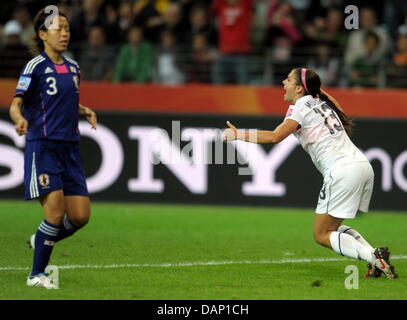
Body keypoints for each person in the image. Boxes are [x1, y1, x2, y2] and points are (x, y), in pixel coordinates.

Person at [223, 67, 397, 279]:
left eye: (288, 79)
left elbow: (274, 137)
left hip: (342, 170)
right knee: (333, 228)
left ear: (298, 88)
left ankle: (372, 256)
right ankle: (376, 259)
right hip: (362, 166)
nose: (283, 83)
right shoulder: (322, 103)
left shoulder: (301, 106)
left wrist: (237, 134)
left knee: (321, 234)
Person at [8, 7, 97, 289]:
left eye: (67, 28)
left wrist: (83, 109)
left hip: (70, 149)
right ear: (42, 34)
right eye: (58, 28)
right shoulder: (35, 66)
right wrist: (20, 120)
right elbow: (15, 104)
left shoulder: (73, 68)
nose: (64, 33)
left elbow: (64, 100)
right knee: (55, 215)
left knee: (80, 216)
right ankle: (36, 275)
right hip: (44, 146)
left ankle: (40, 239)